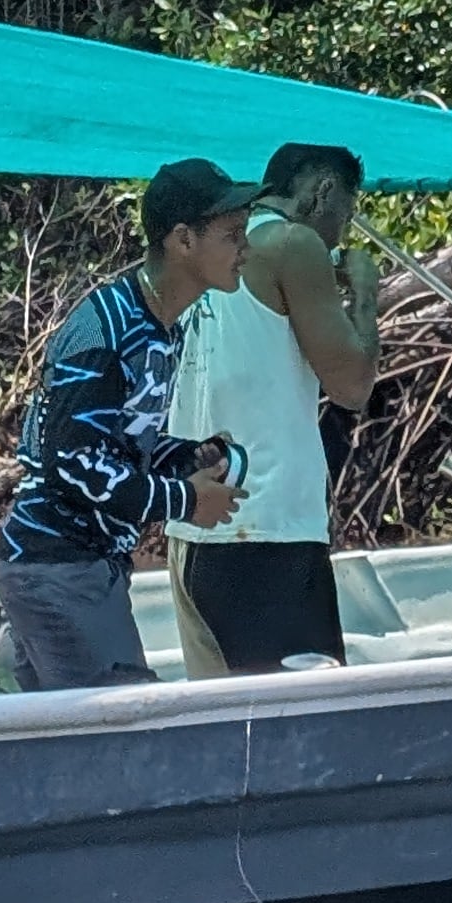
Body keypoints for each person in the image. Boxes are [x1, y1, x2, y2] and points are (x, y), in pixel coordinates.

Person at [0, 158, 255, 689]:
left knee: (75, 748)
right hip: (59, 568)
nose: (245, 249)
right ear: (184, 240)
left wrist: (191, 455)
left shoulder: (161, 326)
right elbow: (72, 463)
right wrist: (184, 502)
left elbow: (121, 445)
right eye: (232, 235)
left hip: (80, 569)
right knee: (131, 732)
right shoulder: (104, 331)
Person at [167, 142, 381, 675]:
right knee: (304, 730)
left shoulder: (204, 259)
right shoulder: (293, 243)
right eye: (345, 215)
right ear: (322, 191)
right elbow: (353, 387)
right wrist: (367, 297)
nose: (342, 235)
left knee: (220, 726)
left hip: (191, 534)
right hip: (266, 532)